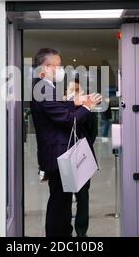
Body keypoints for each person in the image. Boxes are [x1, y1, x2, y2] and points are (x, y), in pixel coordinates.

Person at [30, 48, 102, 237]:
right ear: (45, 67)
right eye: (58, 65)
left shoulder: (43, 87)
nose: (60, 69)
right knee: (59, 205)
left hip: (56, 155)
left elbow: (58, 109)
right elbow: (66, 119)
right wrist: (87, 106)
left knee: (60, 202)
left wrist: (74, 102)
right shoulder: (44, 88)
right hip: (59, 155)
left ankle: (62, 234)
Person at [66, 79, 98, 237]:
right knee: (65, 197)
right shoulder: (64, 109)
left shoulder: (88, 111)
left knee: (82, 197)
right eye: (70, 90)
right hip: (65, 157)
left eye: (76, 90)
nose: (73, 93)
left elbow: (93, 133)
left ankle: (81, 231)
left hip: (82, 157)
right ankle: (70, 230)